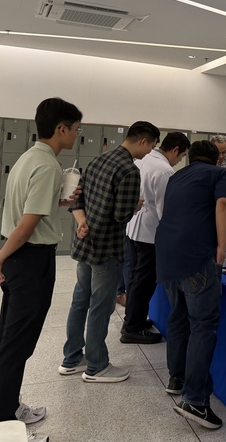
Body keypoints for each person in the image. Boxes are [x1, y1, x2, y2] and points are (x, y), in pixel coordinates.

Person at [0, 97, 83, 442]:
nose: (77, 135)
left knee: (8, 337)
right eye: (76, 129)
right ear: (61, 129)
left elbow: (28, 209)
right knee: (17, 343)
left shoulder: (29, 157)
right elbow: (26, 226)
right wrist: (0, 256)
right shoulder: (49, 166)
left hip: (20, 258)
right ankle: (3, 423)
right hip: (29, 259)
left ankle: (6, 407)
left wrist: (58, 202)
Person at [59, 121, 160, 383]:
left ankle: (72, 358)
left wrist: (82, 222)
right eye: (151, 146)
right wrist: (136, 205)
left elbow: (77, 201)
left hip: (85, 246)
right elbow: (120, 215)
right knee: (100, 307)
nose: (149, 152)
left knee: (80, 301)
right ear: (143, 141)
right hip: (107, 249)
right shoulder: (128, 169)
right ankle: (96, 366)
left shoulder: (97, 160)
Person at [156, 140, 226, 429]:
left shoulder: (177, 176)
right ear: (218, 159)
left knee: (178, 317)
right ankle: (196, 401)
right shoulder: (220, 174)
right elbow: (224, 204)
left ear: (190, 158)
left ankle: (176, 378)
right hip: (196, 256)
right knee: (203, 325)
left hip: (167, 255)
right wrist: (221, 247)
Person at [121, 131, 191, 344]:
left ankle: (133, 320)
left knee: (135, 278)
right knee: (143, 282)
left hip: (134, 229)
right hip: (149, 234)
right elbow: (164, 209)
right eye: (181, 156)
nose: (179, 161)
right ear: (175, 150)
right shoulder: (164, 170)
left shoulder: (144, 159)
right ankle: (132, 327)